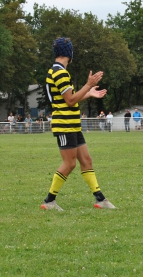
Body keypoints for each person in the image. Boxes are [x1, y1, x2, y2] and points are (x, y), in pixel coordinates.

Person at [41, 37, 115, 211]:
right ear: (70, 53)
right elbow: (70, 100)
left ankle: (100, 199)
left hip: (72, 125)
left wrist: (88, 93)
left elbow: (71, 99)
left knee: (86, 160)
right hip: (65, 125)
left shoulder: (59, 71)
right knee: (69, 163)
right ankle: (49, 201)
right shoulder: (59, 72)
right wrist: (88, 85)